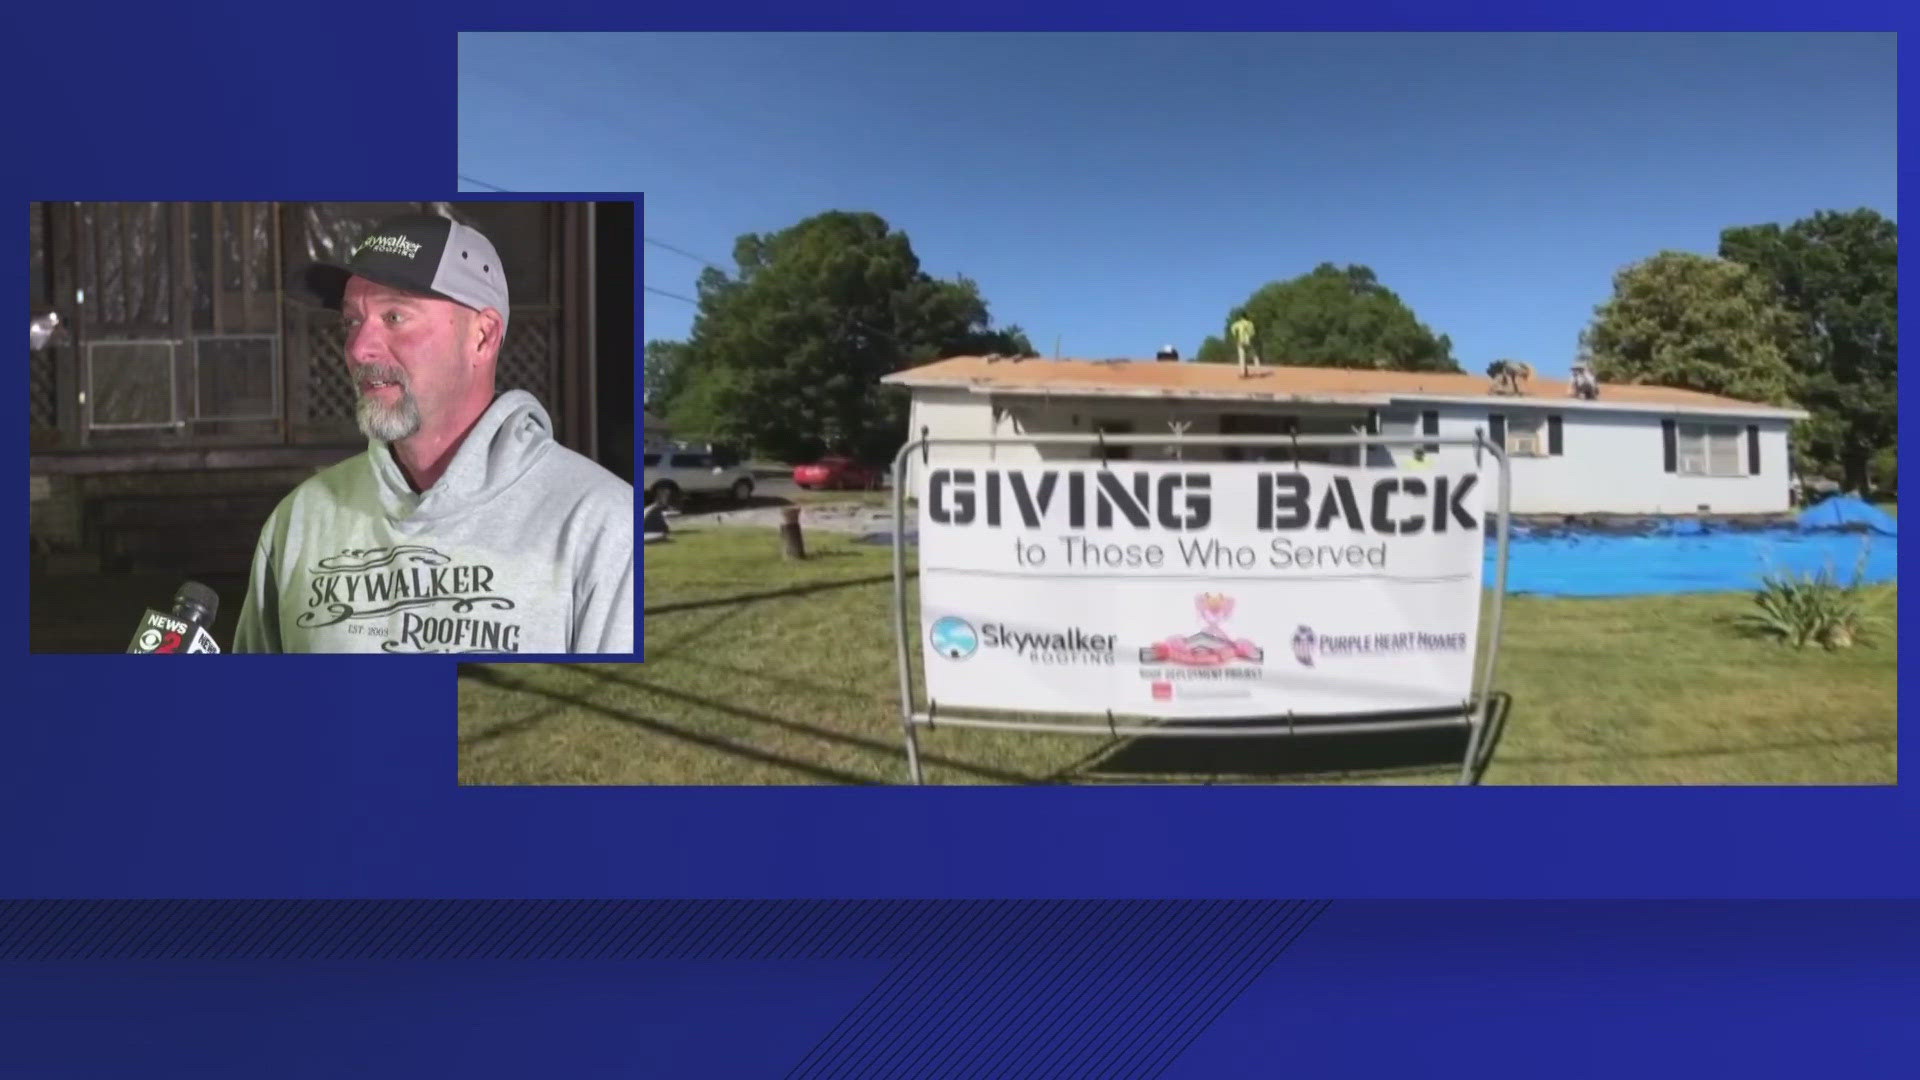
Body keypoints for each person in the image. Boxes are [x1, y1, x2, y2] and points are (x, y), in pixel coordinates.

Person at [232, 212, 633, 654]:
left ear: (482, 337)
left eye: (395, 316)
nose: (358, 348)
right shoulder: (301, 519)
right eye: (351, 321)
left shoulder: (600, 522)